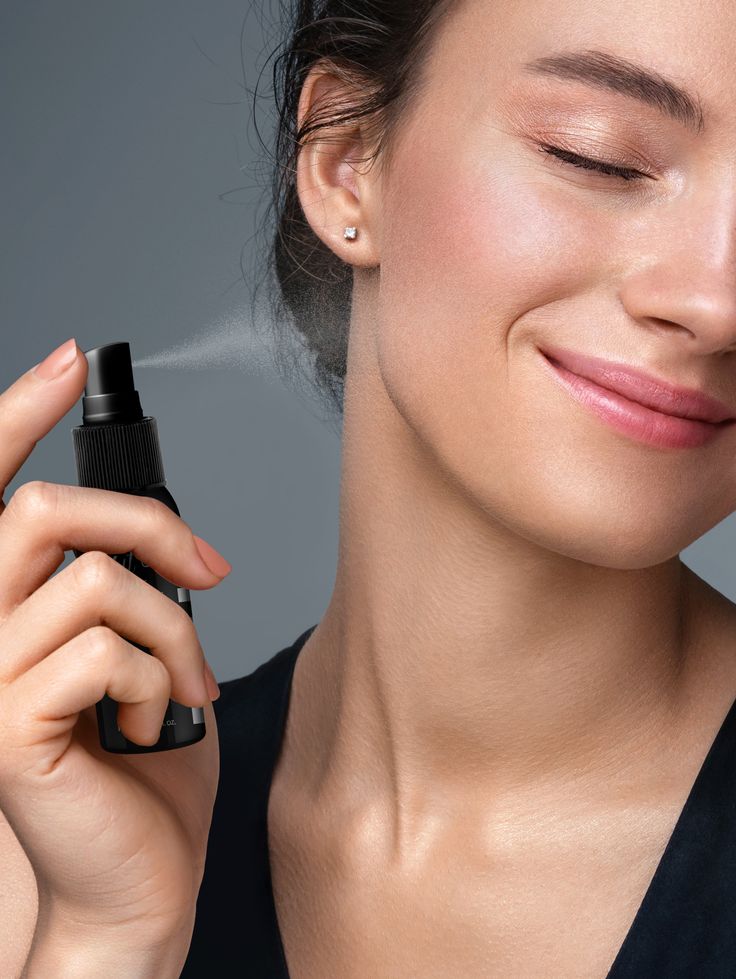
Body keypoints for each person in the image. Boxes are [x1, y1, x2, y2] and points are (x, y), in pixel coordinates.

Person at [6, 0, 736, 975]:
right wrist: (106, 942)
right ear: (347, 159)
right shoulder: (44, 856)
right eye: (598, 155)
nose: (716, 302)